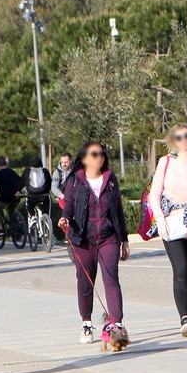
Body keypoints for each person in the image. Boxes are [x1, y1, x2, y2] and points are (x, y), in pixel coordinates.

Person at [58, 142, 129, 345]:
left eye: (102, 154)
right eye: (95, 154)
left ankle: (117, 325)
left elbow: (118, 210)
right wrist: (65, 219)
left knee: (111, 279)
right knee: (85, 282)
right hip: (83, 238)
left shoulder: (110, 179)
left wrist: (123, 239)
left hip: (108, 237)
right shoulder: (75, 180)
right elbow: (69, 206)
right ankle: (87, 322)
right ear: (84, 158)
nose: (100, 157)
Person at [149, 124, 187, 336]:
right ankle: (183, 317)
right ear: (172, 140)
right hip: (172, 222)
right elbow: (154, 194)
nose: (184, 140)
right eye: (179, 137)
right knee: (181, 269)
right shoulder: (165, 162)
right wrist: (160, 219)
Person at [22, 155, 52, 224]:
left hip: (32, 196)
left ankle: (33, 217)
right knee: (46, 212)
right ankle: (47, 223)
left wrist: (18, 191)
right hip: (44, 196)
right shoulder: (45, 171)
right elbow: (49, 183)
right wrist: (49, 190)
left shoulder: (27, 171)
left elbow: (21, 182)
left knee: (29, 205)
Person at [50, 152, 72, 241]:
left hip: (76, 197)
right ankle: (68, 235)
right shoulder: (57, 173)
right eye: (62, 162)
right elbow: (54, 187)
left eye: (66, 162)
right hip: (64, 198)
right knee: (67, 213)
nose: (64, 164)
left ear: (70, 161)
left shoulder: (76, 170)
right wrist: (61, 195)